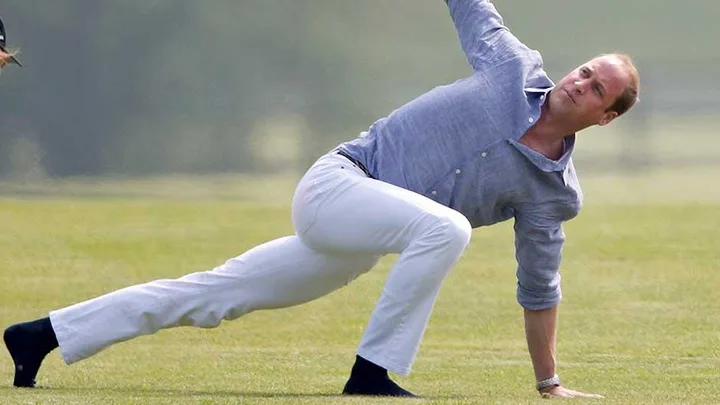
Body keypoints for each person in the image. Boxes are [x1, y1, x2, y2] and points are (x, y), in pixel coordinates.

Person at [4, 0, 639, 399]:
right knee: (448, 229)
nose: (579, 83)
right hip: (339, 183)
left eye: (596, 89)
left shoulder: (551, 193)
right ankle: (372, 376)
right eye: (585, 70)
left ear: (605, 118)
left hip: (360, 237)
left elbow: (539, 287)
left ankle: (40, 335)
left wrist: (547, 382)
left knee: (210, 296)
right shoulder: (511, 66)